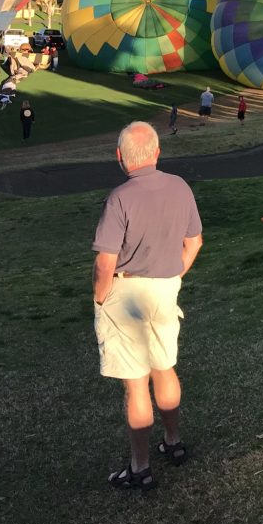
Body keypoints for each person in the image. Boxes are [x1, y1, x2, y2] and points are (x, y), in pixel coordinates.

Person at [91, 122, 203, 490]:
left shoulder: (120, 198)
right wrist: (176, 274)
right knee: (165, 367)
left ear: (120, 157)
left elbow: (105, 262)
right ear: (157, 153)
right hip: (166, 288)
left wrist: (100, 295)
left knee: (137, 385)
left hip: (127, 292)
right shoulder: (180, 187)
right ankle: (173, 443)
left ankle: (140, 467)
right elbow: (195, 242)